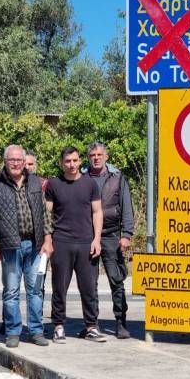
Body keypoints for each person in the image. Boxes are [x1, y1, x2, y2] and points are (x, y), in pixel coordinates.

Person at [0, 145, 53, 348]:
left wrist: (48, 240)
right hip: (10, 246)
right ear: (5, 161)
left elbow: (45, 215)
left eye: (19, 160)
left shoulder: (35, 182)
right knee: (11, 291)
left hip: (36, 245)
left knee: (36, 290)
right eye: (11, 160)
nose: (15, 163)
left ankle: (36, 331)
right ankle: (13, 331)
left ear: (24, 162)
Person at [45, 146, 105, 343]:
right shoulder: (54, 184)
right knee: (59, 287)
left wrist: (96, 239)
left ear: (80, 161)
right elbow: (47, 213)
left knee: (89, 287)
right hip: (61, 242)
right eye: (67, 161)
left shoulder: (90, 184)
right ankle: (59, 326)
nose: (71, 164)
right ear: (62, 163)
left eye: (75, 160)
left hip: (86, 242)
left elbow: (97, 212)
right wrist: (48, 239)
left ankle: (91, 326)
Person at [85, 142, 135, 339]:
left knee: (117, 280)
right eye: (92, 155)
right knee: (89, 282)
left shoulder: (117, 177)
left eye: (99, 154)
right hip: (87, 237)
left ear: (106, 156)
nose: (96, 158)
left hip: (112, 235)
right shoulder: (81, 178)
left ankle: (121, 321)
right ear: (88, 157)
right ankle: (92, 323)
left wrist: (127, 234)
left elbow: (126, 206)